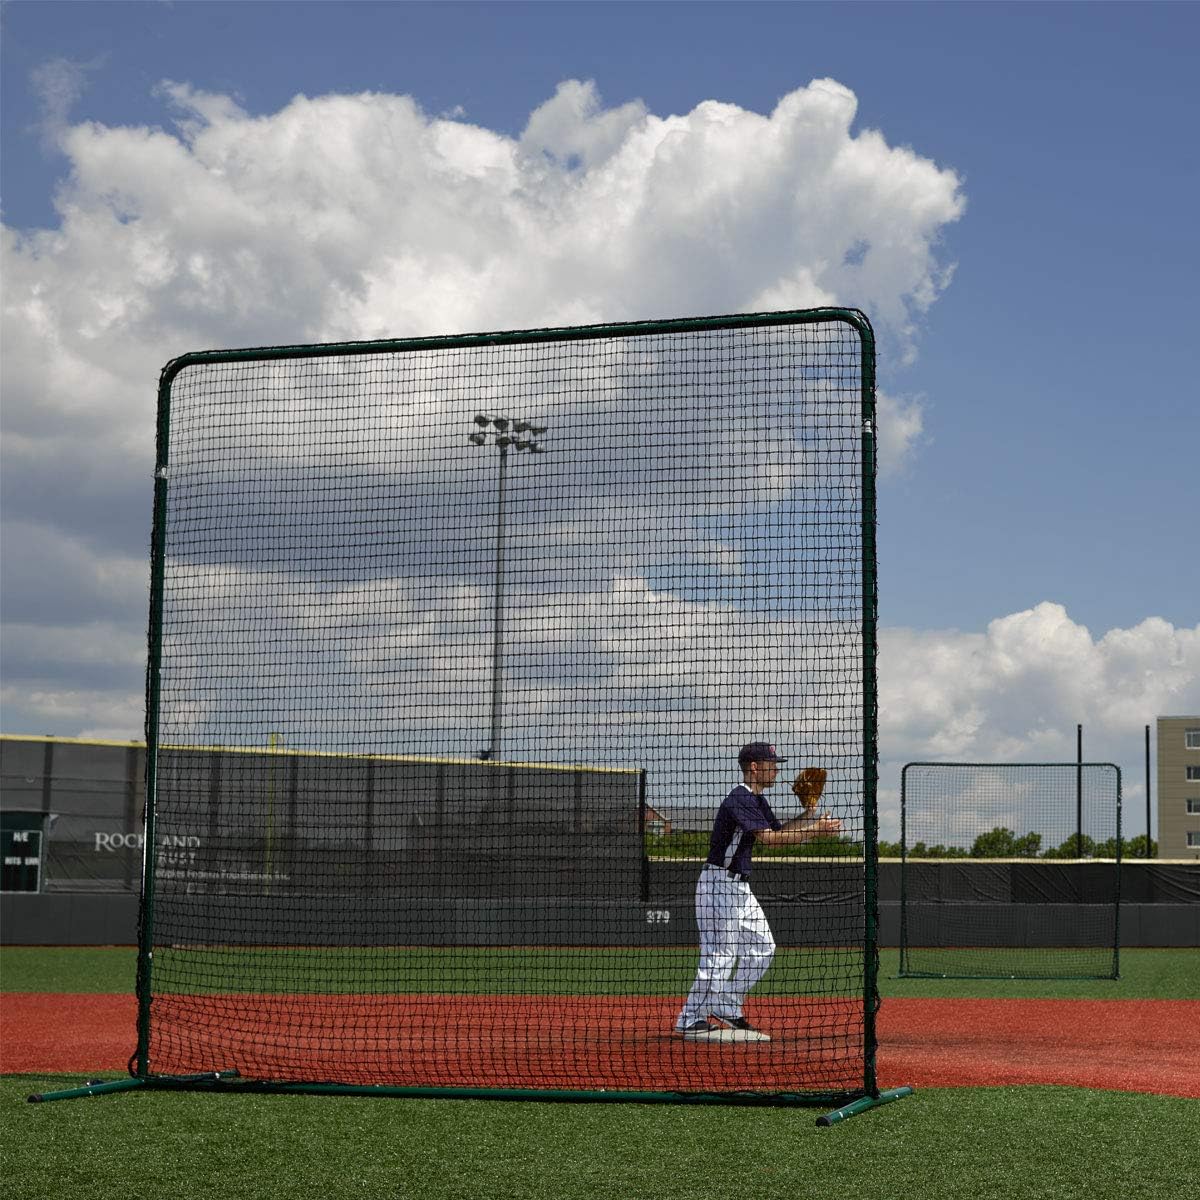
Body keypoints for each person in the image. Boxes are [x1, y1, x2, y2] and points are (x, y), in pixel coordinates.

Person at [674, 742, 841, 1041]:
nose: (777, 768)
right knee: (721, 954)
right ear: (754, 767)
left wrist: (810, 814)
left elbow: (781, 831)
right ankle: (691, 1017)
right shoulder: (739, 798)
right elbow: (771, 841)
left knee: (764, 948)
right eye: (771, 763)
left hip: (739, 888)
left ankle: (726, 1003)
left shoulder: (757, 801)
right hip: (717, 885)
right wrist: (816, 831)